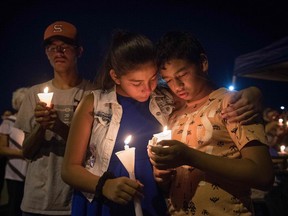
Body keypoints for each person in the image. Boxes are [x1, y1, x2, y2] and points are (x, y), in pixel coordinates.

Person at [61, 30, 265, 216]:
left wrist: (253, 93)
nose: (147, 89)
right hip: (105, 198)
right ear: (116, 76)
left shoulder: (166, 99)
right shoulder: (94, 103)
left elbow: (207, 97)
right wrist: (103, 185)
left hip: (153, 200)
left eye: (153, 79)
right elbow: (69, 168)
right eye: (136, 83)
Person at [148, 31, 275, 216]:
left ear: (203, 63)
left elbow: (263, 175)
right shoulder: (174, 116)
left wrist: (189, 156)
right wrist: (162, 175)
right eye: (168, 80)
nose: (177, 86)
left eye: (182, 74)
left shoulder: (233, 105)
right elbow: (172, 183)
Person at [14, 21, 95, 215]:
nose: (58, 52)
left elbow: (95, 151)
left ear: (79, 51)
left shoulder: (93, 93)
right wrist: (41, 127)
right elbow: (26, 151)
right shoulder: (33, 94)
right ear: (46, 53)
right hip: (36, 202)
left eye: (65, 47)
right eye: (52, 48)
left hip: (75, 201)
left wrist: (59, 127)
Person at [0, 87, 29, 216]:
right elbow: (2, 148)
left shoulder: (32, 121)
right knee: (14, 205)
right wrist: (22, 153)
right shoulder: (8, 122)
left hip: (29, 172)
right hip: (14, 171)